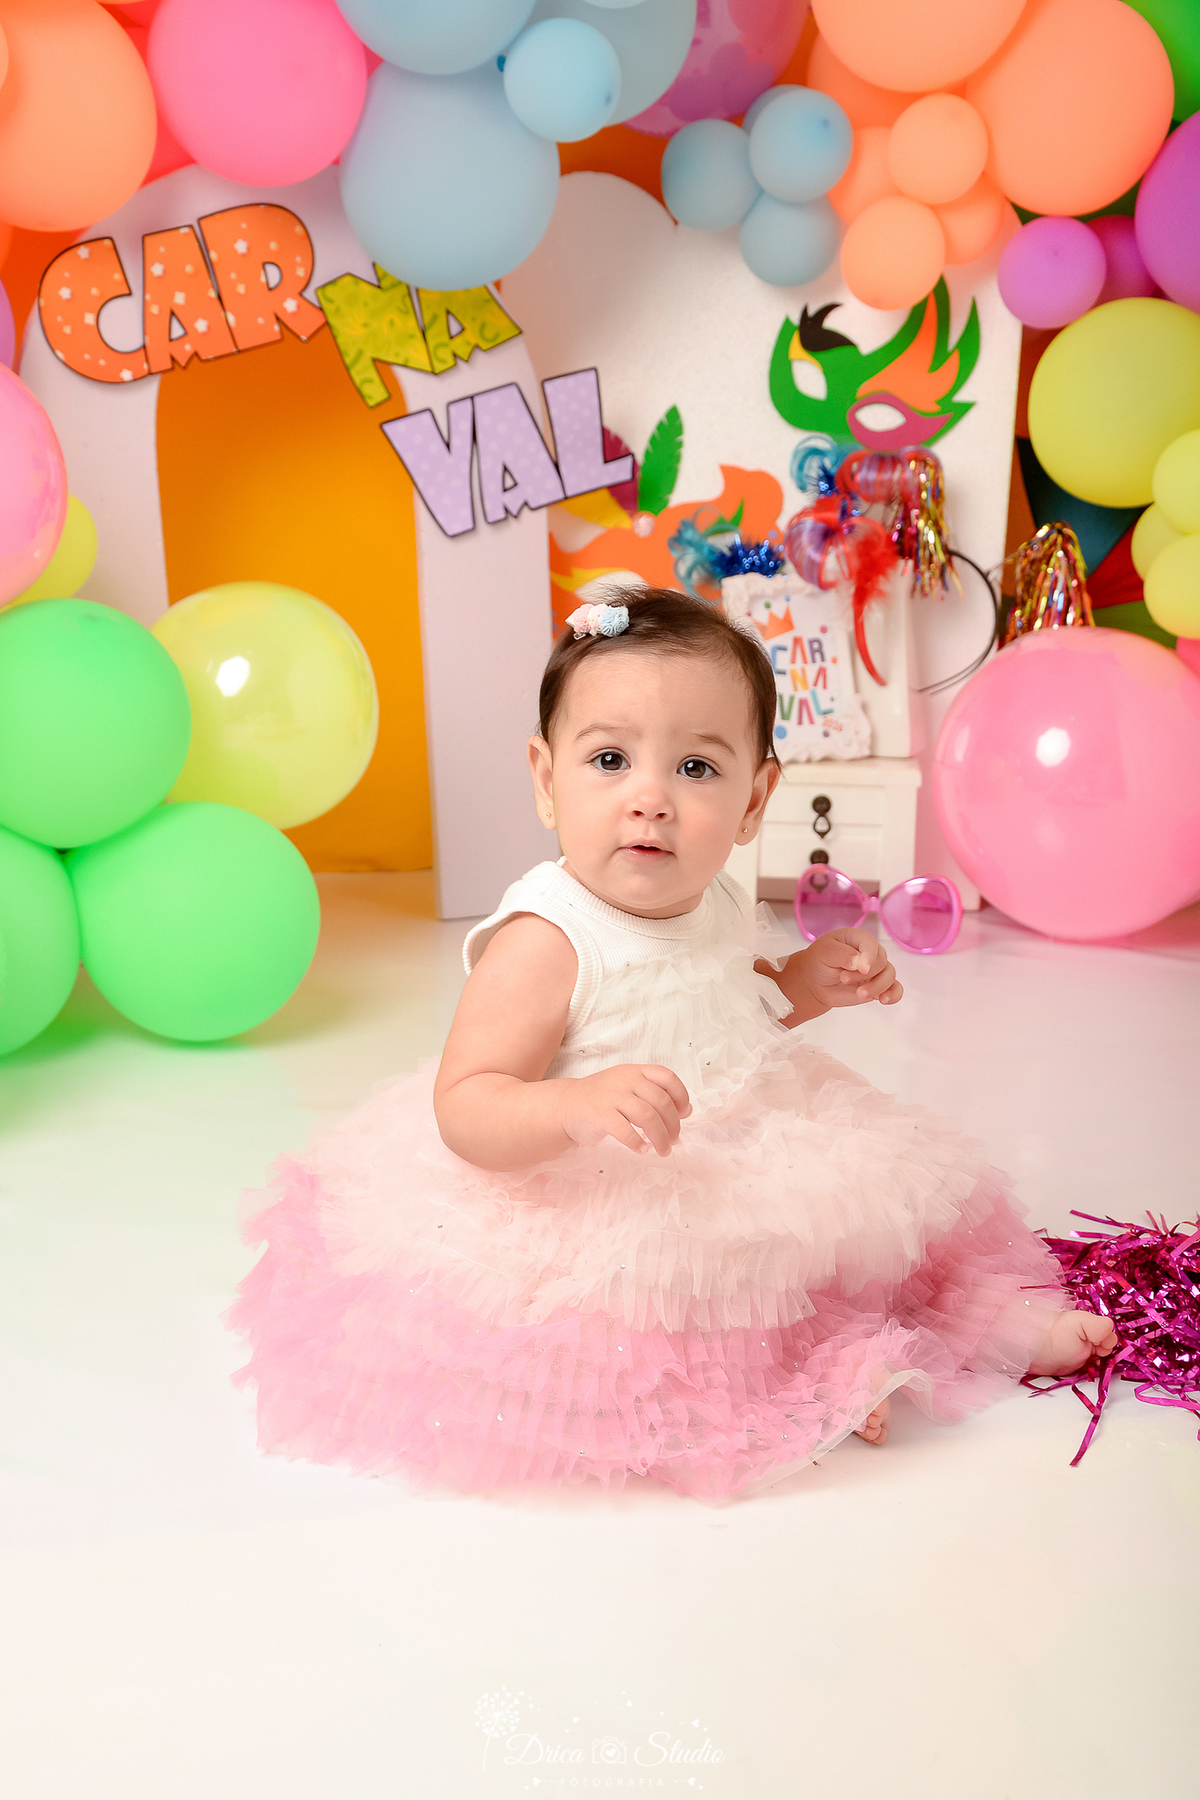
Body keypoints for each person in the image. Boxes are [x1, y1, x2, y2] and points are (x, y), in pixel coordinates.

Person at [227, 586, 1117, 1502]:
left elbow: (732, 1013)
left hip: (741, 1134)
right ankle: (816, 1384)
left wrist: (806, 983)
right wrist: (572, 1103)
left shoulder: (719, 898)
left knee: (863, 1218)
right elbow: (467, 1103)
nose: (650, 799)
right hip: (598, 1179)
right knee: (663, 1308)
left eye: (696, 768)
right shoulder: (547, 939)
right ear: (546, 779)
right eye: (609, 760)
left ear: (753, 800)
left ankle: (974, 1320)